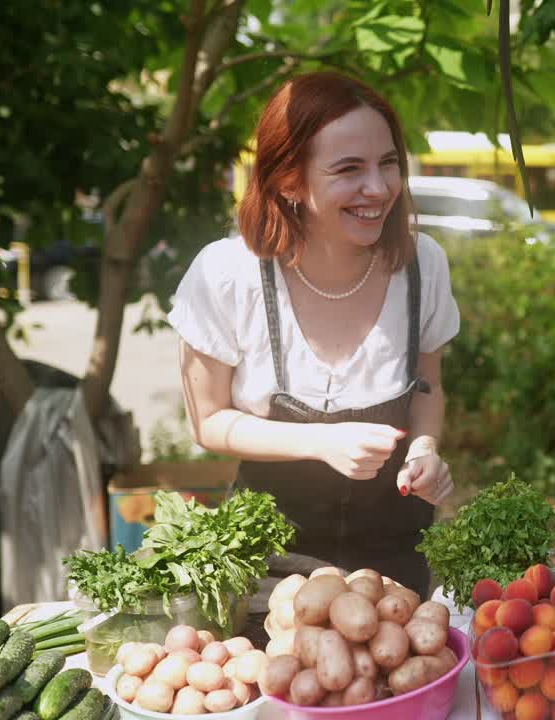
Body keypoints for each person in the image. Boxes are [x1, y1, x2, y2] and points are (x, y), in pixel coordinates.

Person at [169, 72, 460, 598]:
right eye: (350, 169)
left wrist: (424, 449)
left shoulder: (423, 265)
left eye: (388, 163)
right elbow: (207, 422)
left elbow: (428, 388)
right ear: (288, 180)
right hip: (269, 569)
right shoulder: (227, 274)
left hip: (397, 568)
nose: (379, 188)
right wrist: (319, 441)